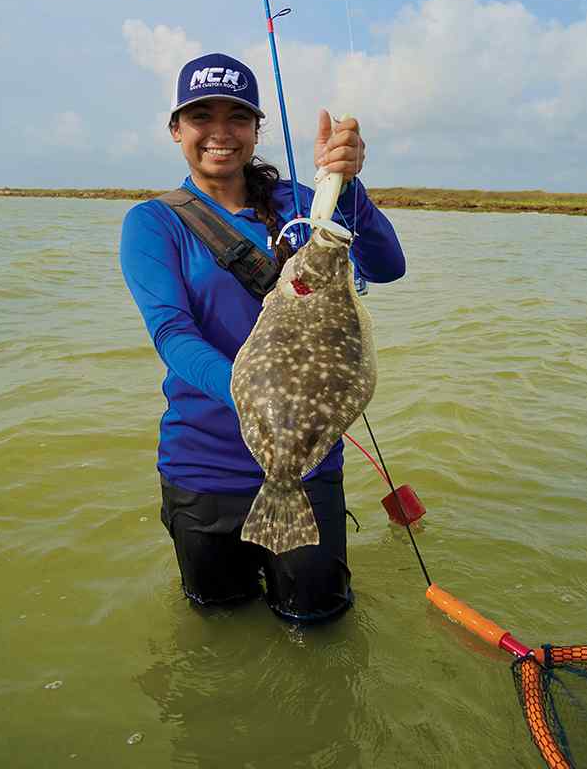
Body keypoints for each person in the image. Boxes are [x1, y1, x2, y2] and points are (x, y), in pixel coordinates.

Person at [120, 52, 406, 624]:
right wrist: (254, 395)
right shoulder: (155, 223)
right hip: (203, 469)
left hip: (308, 465)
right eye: (201, 116)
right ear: (177, 129)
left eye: (238, 117)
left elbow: (387, 266)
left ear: (256, 130)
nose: (219, 132)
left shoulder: (304, 204)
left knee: (318, 619)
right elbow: (173, 333)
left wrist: (347, 187)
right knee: (219, 625)